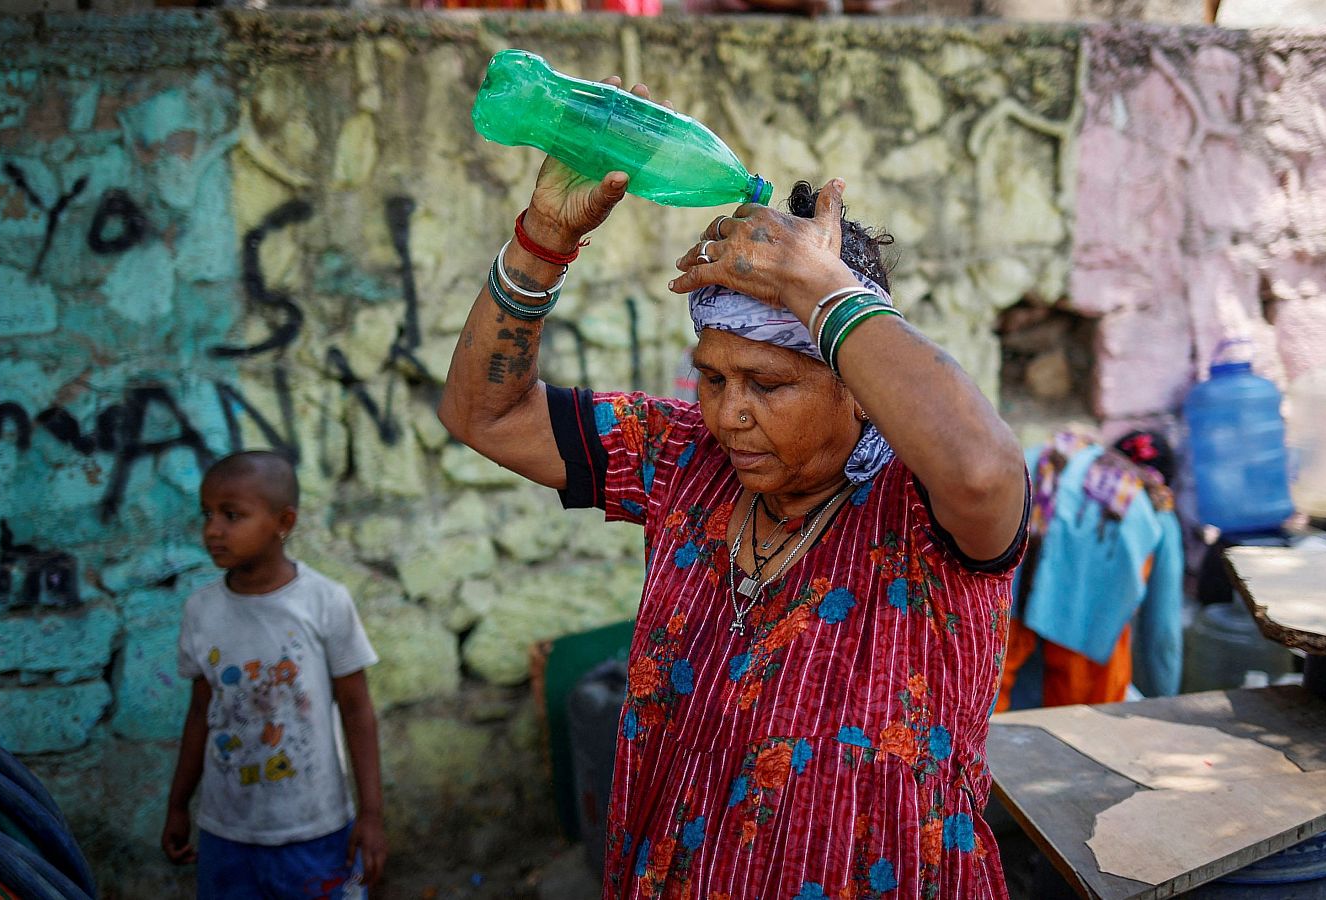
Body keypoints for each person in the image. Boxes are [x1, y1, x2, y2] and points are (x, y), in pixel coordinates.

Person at [440, 77, 1029, 897]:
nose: (729, 416)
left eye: (768, 383)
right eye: (712, 378)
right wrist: (543, 240)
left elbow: (985, 470)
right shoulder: (682, 460)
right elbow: (484, 414)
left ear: (856, 386)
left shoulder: (921, 508)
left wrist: (818, 288)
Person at [161, 451, 387, 898]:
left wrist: (372, 814)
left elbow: (358, 711)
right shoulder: (201, 611)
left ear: (283, 521)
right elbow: (200, 715)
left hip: (315, 828)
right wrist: (177, 805)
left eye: (232, 515)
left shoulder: (324, 601)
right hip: (227, 831)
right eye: (207, 514)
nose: (212, 530)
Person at [996, 429, 1182, 712]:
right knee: (1079, 721)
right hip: (1083, 624)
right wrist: (1166, 703)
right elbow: (1162, 631)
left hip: (1003, 576)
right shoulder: (1155, 506)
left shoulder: (1057, 455)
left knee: (989, 684)